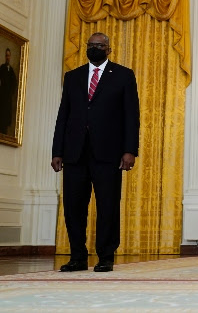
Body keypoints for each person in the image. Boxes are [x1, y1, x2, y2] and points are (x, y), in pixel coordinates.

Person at [51, 33, 140, 273]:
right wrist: (57, 151)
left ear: (109, 49)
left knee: (108, 206)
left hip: (109, 153)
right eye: (91, 45)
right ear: (86, 48)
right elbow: (63, 116)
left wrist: (130, 150)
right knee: (73, 207)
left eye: (100, 46)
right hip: (74, 153)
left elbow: (131, 116)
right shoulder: (73, 77)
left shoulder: (123, 75)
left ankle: (106, 256)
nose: (95, 49)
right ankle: (78, 256)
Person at [0, 48, 17, 134]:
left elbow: (14, 84)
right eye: (6, 55)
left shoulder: (11, 71)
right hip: (1, 98)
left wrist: (11, 92)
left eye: (9, 55)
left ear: (10, 57)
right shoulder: (2, 68)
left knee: (6, 121)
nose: (7, 57)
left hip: (8, 99)